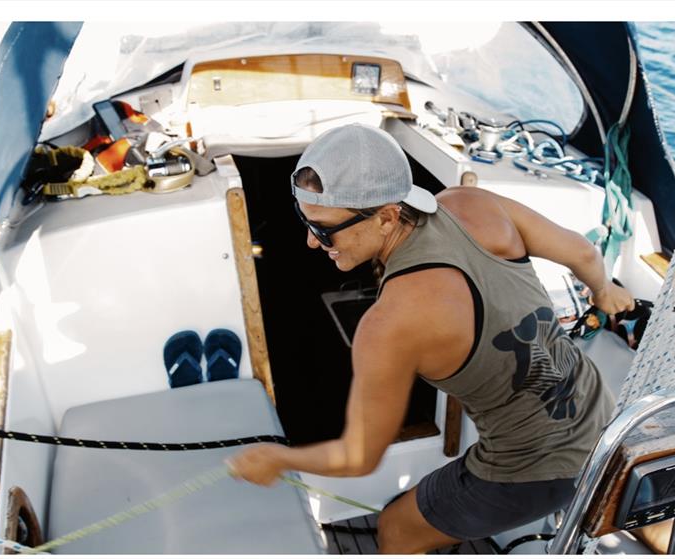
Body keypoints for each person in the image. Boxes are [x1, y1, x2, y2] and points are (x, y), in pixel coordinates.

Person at [227, 123, 635, 554]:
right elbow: (584, 253)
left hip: (535, 473)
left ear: (386, 216)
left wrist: (280, 459)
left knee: (397, 527)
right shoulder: (470, 202)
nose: (311, 242)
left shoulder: (387, 325)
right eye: (304, 221)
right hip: (602, 412)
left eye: (326, 229)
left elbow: (359, 457)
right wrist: (604, 291)